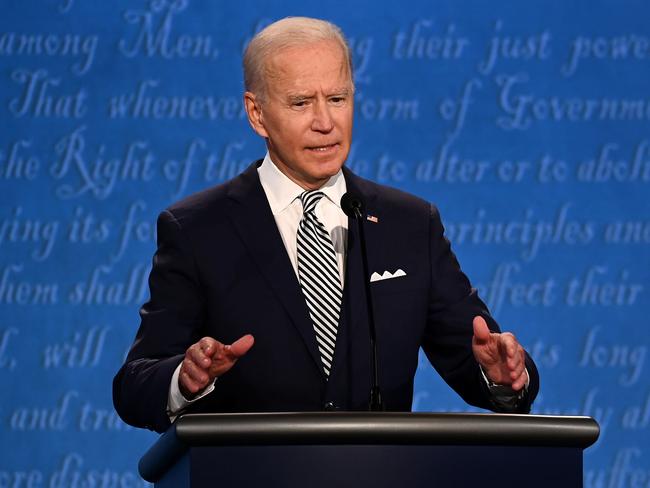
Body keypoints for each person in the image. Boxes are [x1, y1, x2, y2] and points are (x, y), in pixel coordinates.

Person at [113, 17, 539, 433]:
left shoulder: (408, 224)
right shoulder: (198, 229)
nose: (325, 122)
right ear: (257, 114)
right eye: (301, 103)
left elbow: (479, 357)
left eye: (337, 98)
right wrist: (184, 380)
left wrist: (502, 376)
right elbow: (135, 384)